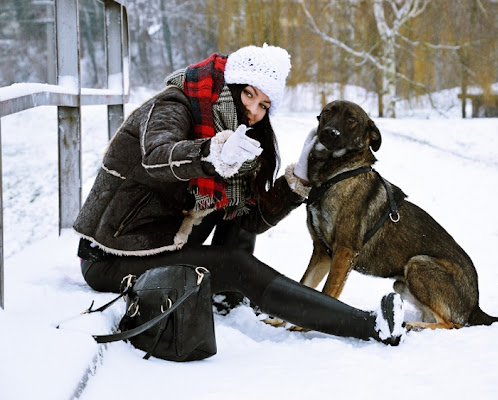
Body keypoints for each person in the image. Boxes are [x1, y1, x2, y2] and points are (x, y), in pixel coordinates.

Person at [73, 44, 405, 346]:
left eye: (264, 104)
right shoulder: (174, 105)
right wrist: (208, 154)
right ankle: (369, 325)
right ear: (230, 85)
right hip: (114, 255)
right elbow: (157, 156)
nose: (255, 112)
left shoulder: (236, 133)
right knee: (235, 264)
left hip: (165, 241)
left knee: (236, 210)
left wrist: (297, 180)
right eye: (248, 95)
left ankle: (231, 296)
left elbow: (250, 220)